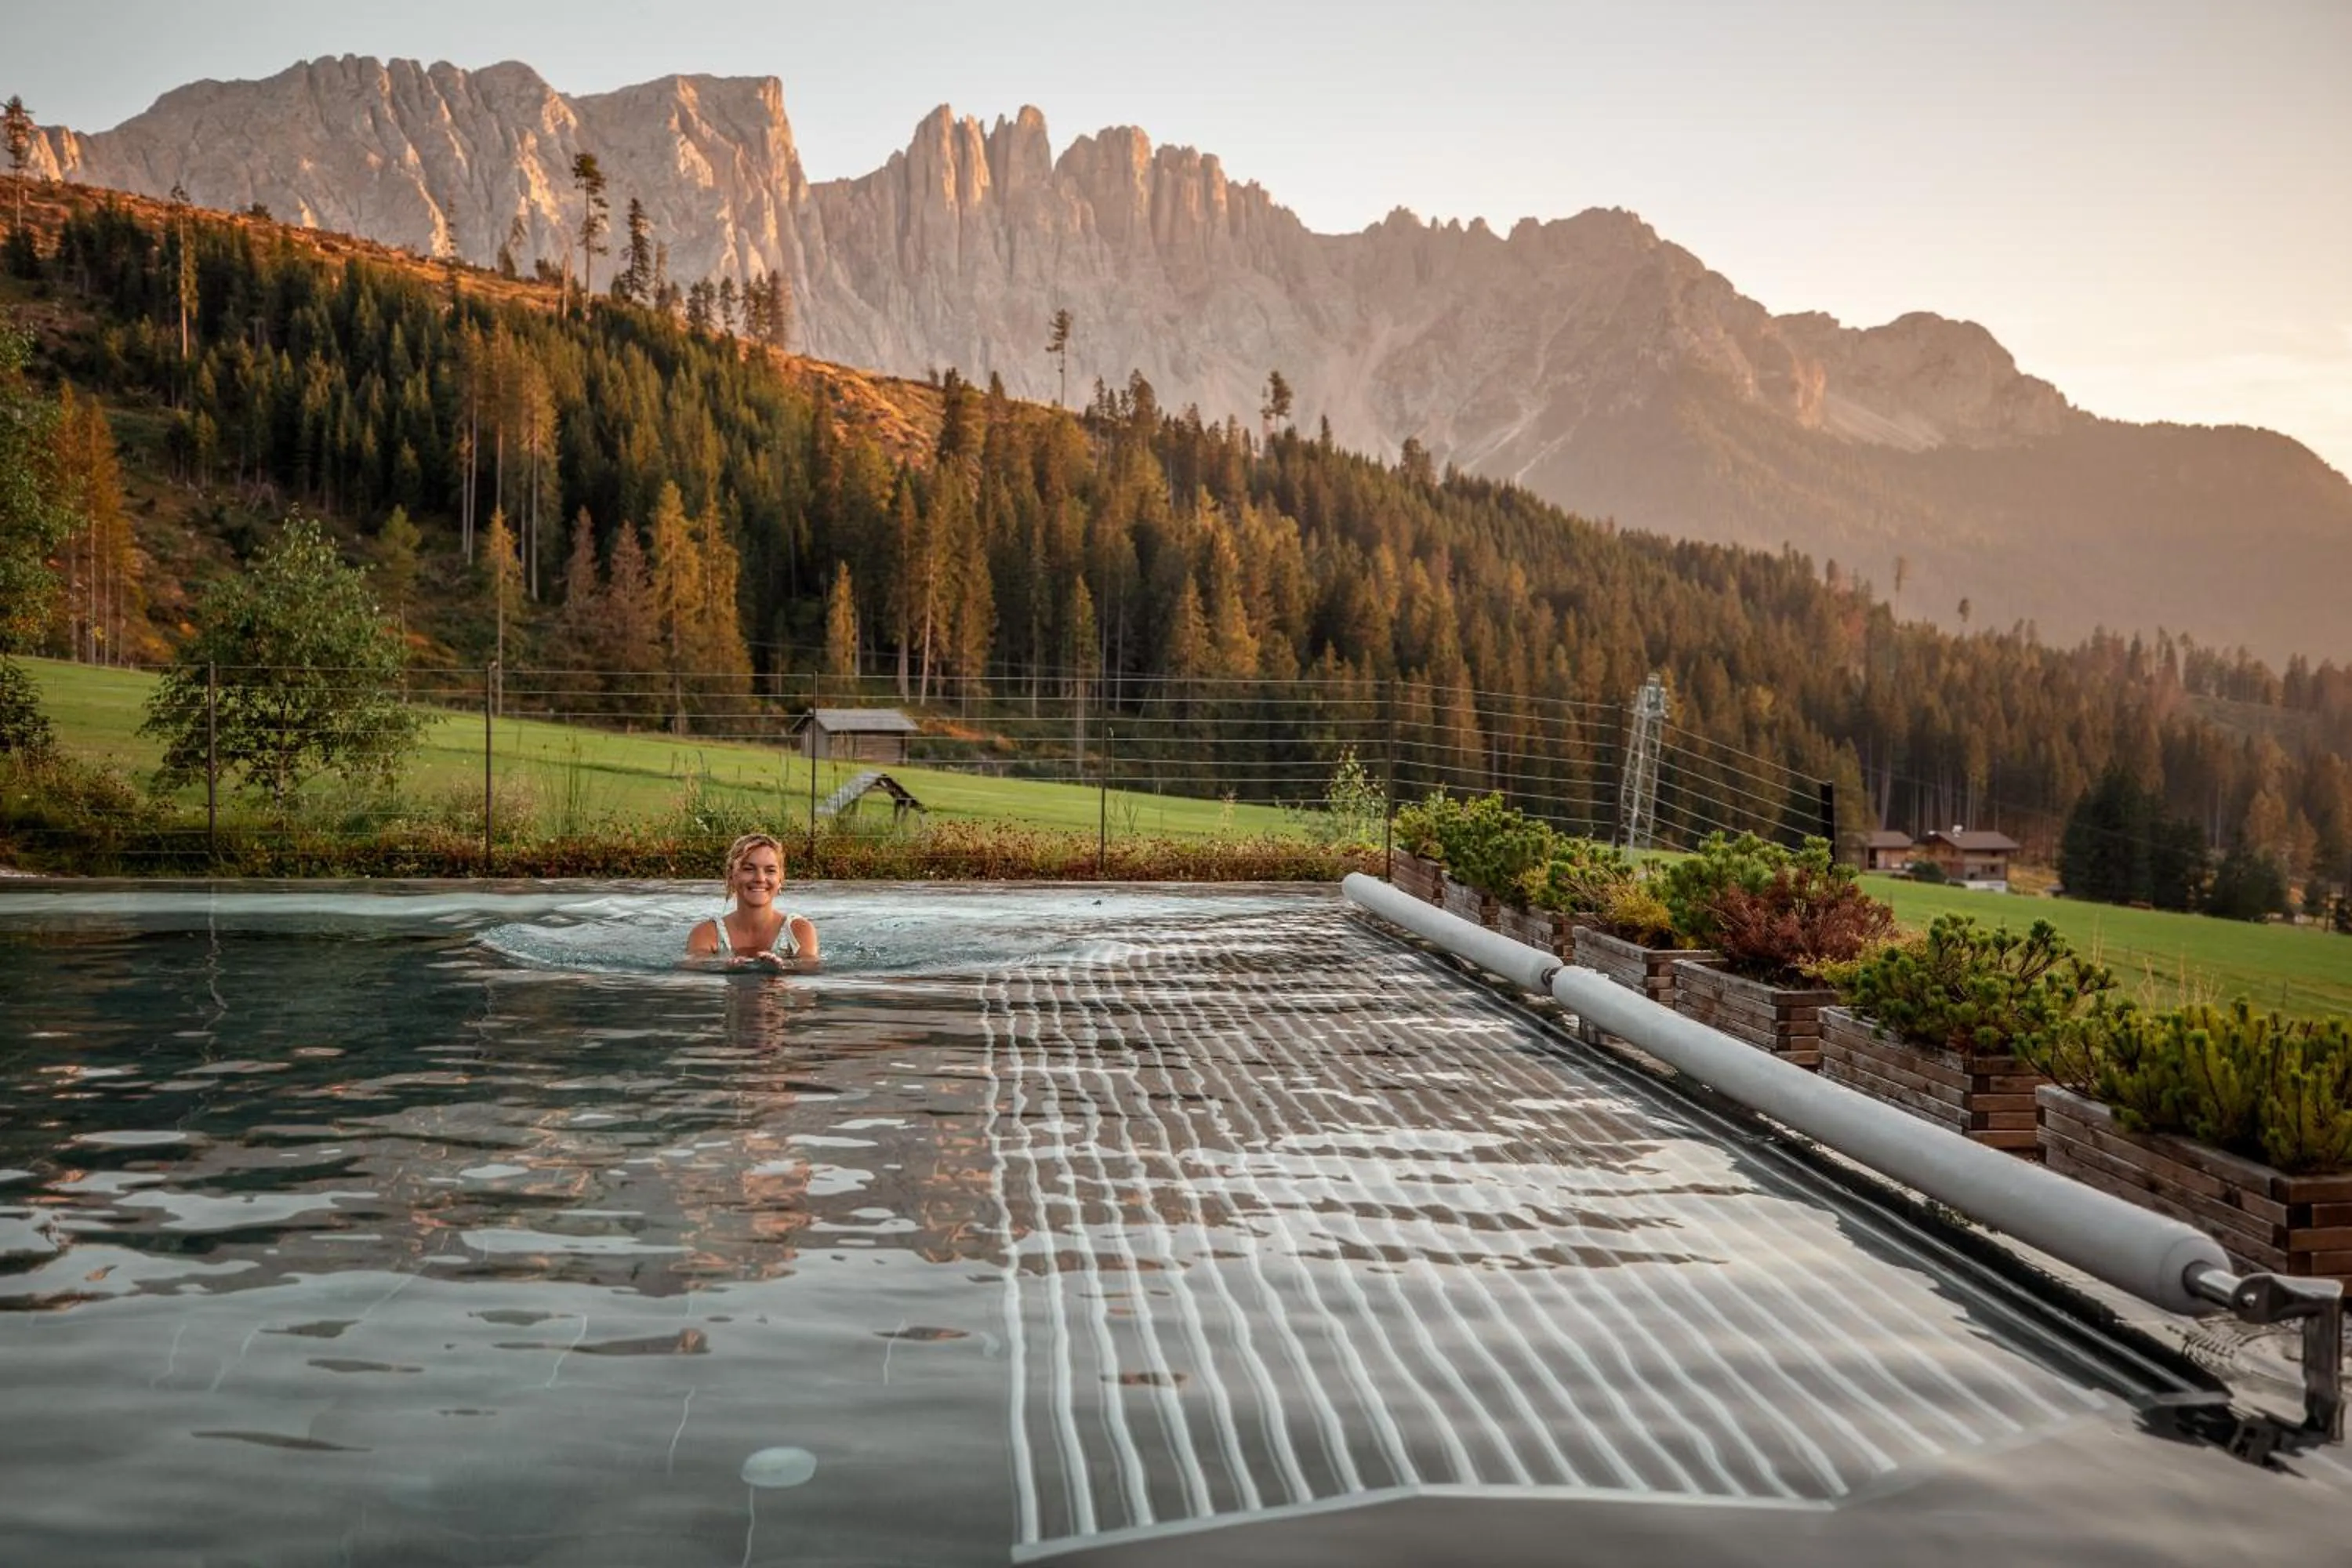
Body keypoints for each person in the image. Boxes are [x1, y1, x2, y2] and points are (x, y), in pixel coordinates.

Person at [686, 832, 819, 967]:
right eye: (749, 869)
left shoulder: (798, 931)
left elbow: (809, 969)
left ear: (780, 879)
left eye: (770, 870)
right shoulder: (706, 934)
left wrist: (782, 972)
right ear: (731, 876)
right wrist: (724, 970)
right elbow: (695, 972)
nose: (760, 878)